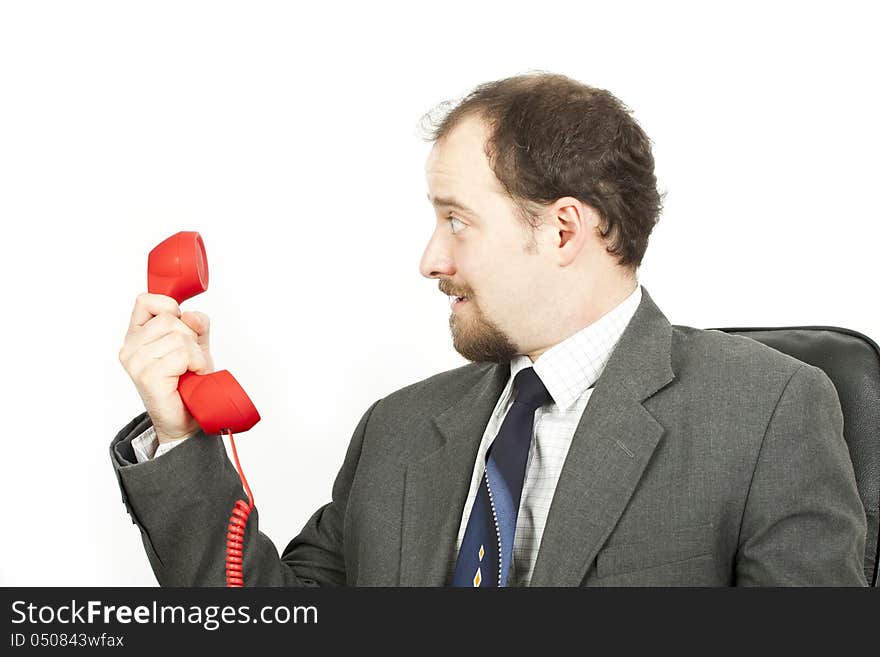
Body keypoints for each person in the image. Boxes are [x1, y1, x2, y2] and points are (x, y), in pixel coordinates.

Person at [112, 72, 868, 586]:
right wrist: (181, 437)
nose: (429, 257)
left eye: (457, 220)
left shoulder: (768, 410)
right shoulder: (400, 429)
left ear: (564, 229)